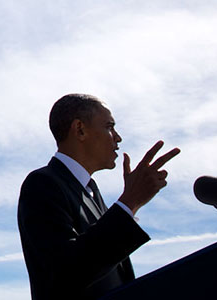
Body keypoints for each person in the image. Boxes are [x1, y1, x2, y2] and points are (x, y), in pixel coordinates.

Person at [17, 94, 180, 300]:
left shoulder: (91, 191)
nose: (118, 137)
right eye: (109, 127)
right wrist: (130, 202)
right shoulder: (42, 183)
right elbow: (64, 272)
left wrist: (131, 206)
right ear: (80, 129)